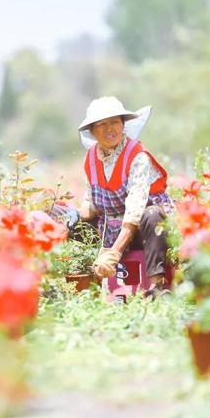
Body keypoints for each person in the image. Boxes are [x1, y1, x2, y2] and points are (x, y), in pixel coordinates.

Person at [65, 96, 174, 294]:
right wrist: (76, 215)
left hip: (141, 226)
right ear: (92, 131)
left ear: (123, 125)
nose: (110, 129)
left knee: (153, 216)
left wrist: (114, 252)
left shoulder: (137, 155)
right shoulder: (91, 159)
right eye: (102, 124)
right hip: (114, 224)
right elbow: (92, 204)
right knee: (74, 227)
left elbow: (134, 210)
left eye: (115, 122)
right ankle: (87, 287)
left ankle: (156, 286)